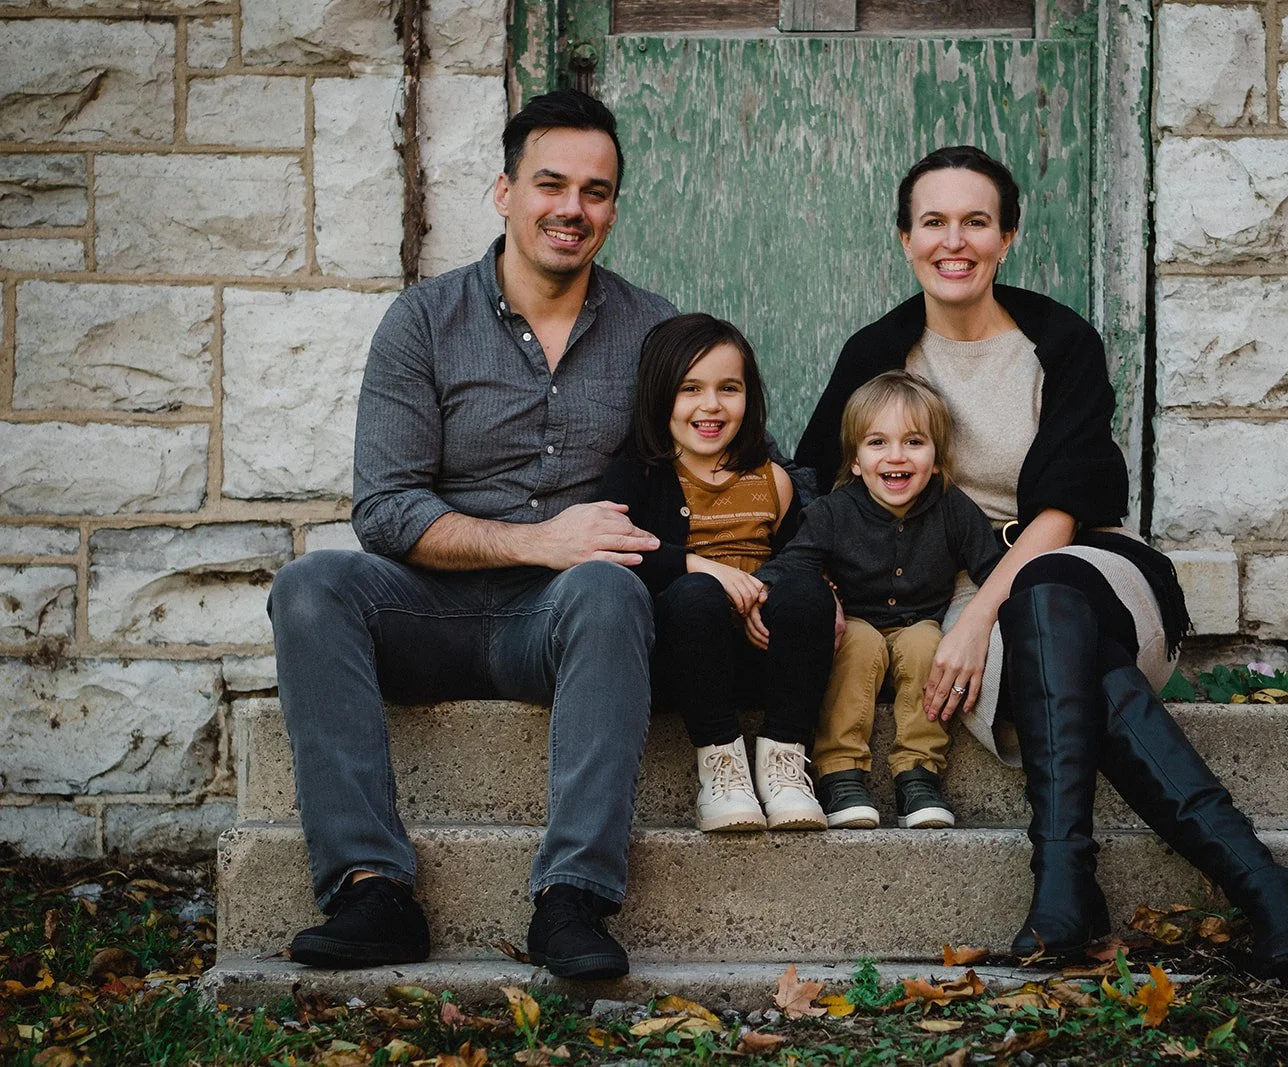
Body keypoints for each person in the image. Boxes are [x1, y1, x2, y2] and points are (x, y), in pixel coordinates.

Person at [794, 146, 1288, 977]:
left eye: (976, 221)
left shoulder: (1061, 340)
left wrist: (977, 618)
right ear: (905, 239)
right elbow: (816, 481)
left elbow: (1066, 507)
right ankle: (1262, 888)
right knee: (1089, 674)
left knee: (1044, 591)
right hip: (968, 589)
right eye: (933, 222)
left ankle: (1064, 882)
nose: (954, 241)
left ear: (1007, 236)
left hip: (1086, 566)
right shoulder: (878, 353)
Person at [266, 89, 675, 981]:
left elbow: (728, 461)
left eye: (596, 191)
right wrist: (536, 540)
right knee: (310, 584)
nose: (572, 208)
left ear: (613, 208)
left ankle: (572, 897)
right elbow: (385, 510)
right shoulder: (424, 321)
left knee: (609, 585)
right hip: (427, 610)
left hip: (561, 620)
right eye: (551, 183)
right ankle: (372, 889)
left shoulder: (655, 330)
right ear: (504, 191)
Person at [600, 313, 835, 832]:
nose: (711, 405)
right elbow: (613, 547)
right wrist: (699, 564)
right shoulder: (638, 474)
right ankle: (721, 768)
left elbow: (804, 554)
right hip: (686, 656)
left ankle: (785, 761)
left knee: (807, 593)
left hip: (761, 653)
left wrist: (766, 588)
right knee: (696, 594)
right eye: (690, 389)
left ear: (749, 396)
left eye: (729, 388)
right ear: (660, 395)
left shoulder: (773, 480)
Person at [756, 371, 1001, 830]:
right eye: (877, 443)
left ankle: (918, 773)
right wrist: (754, 591)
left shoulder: (953, 508)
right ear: (855, 460)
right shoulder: (831, 512)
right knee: (858, 643)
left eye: (914, 442)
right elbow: (793, 564)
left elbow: (994, 571)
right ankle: (840, 772)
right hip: (855, 623)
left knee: (930, 644)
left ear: (936, 458)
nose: (896, 456)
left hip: (918, 626)